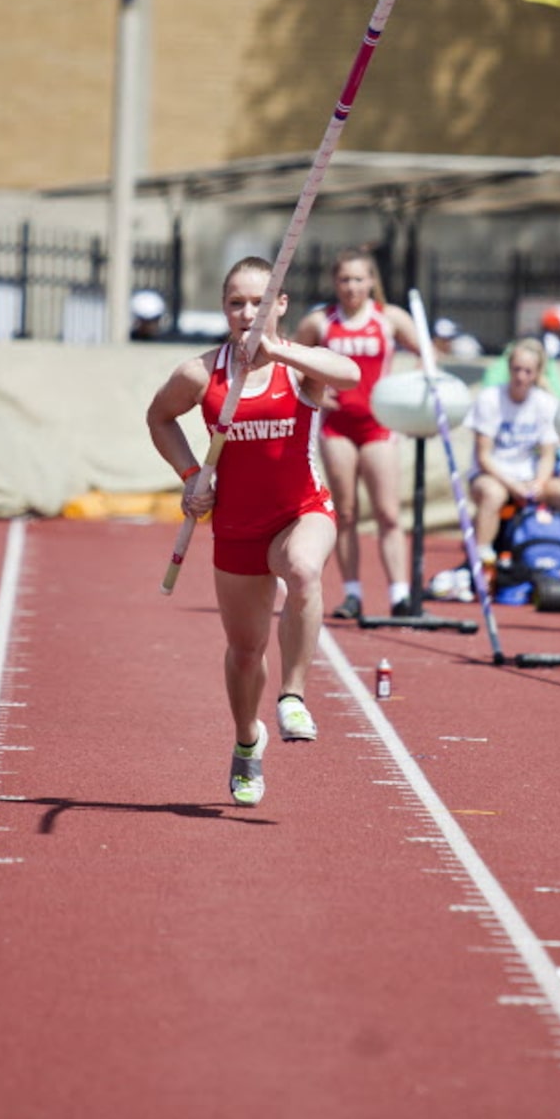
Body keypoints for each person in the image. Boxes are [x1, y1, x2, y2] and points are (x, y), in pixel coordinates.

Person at [146, 255, 360, 806]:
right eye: (236, 303)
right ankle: (247, 742)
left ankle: (293, 697)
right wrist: (192, 475)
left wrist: (277, 348)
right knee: (245, 652)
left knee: (304, 569)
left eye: (258, 303)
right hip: (237, 526)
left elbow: (351, 374)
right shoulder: (203, 372)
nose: (247, 313)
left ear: (279, 305)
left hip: (301, 512)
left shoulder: (298, 365)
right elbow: (159, 418)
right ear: (224, 308)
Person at [295, 247, 420, 620]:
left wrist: (405, 390)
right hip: (336, 426)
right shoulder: (320, 322)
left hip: (378, 425)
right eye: (344, 279)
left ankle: (399, 593)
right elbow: (292, 361)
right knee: (345, 512)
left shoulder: (389, 318)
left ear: (371, 282)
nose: (351, 287)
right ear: (335, 282)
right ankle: (352, 593)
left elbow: (426, 355)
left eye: (359, 279)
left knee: (388, 512)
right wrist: (315, 386)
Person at [463, 337, 560, 581]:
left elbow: (547, 455)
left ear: (538, 373)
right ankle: (481, 565)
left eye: (528, 371)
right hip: (492, 475)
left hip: (530, 477)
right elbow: (483, 456)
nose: (521, 377)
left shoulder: (545, 403)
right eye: (516, 370)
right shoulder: (490, 399)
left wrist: (538, 484)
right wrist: (514, 486)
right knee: (493, 494)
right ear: (509, 369)